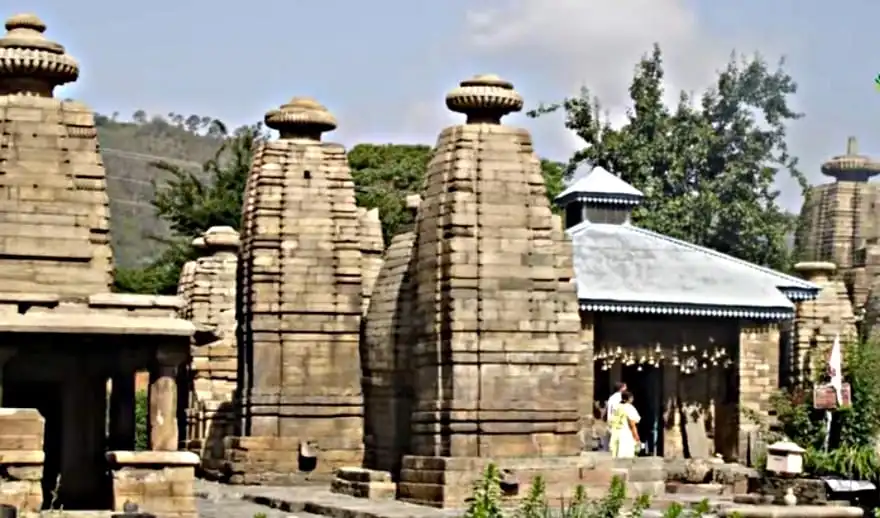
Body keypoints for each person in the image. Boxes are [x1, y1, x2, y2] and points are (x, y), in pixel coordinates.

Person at [609, 391, 641, 458]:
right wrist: (636, 436)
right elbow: (632, 424)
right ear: (629, 398)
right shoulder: (629, 408)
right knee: (626, 458)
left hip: (615, 434)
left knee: (616, 456)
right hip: (626, 435)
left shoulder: (616, 407)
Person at [600, 382, 626, 451]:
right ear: (621, 388)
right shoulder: (620, 397)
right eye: (625, 387)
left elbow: (607, 408)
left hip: (610, 419)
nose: (626, 389)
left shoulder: (611, 397)